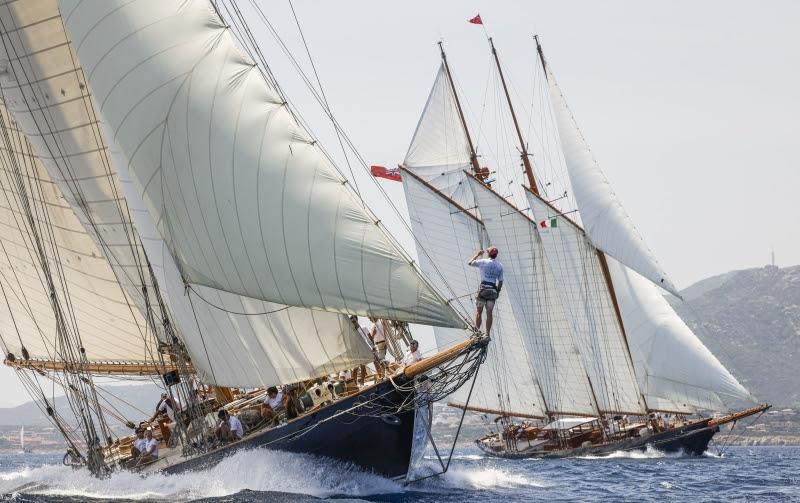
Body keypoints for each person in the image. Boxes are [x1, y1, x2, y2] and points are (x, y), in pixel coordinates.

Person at [467, 247, 504, 337]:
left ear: (488, 254)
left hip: (483, 290)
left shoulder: (483, 261)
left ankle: (477, 332)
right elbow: (501, 281)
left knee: (479, 312)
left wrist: (477, 254)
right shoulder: (500, 265)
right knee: (489, 313)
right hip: (492, 291)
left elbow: (470, 263)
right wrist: (498, 291)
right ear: (496, 255)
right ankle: (487, 334)